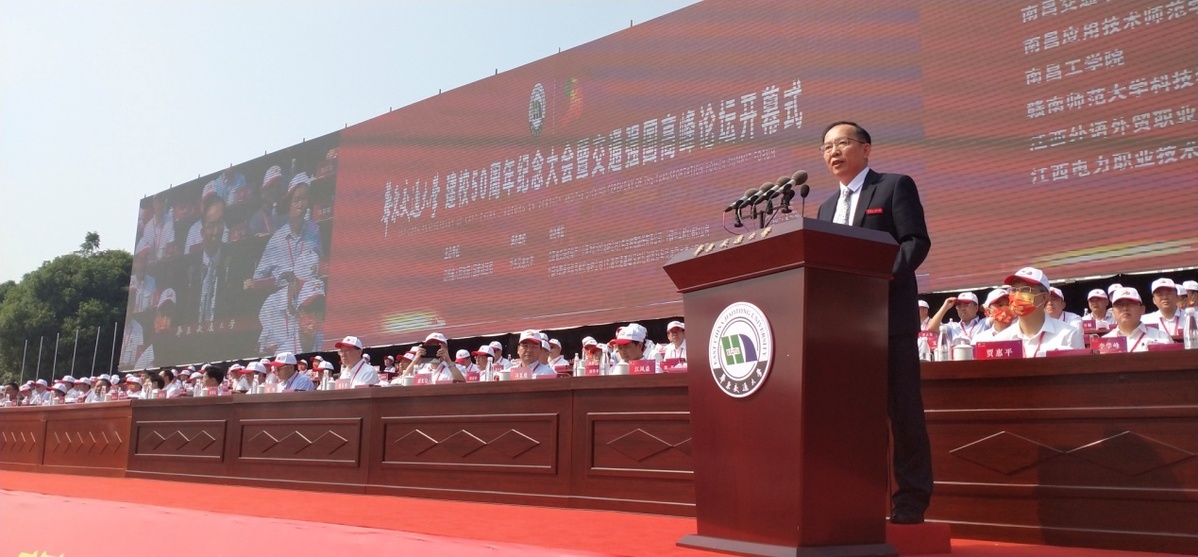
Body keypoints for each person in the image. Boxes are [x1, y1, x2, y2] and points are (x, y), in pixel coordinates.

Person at [815, 121, 933, 525]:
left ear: (865, 149)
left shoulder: (893, 186)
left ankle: (911, 501)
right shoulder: (825, 208)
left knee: (904, 413)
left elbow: (915, 242)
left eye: (842, 143)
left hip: (890, 321)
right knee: (856, 417)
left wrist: (878, 280)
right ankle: (862, 500)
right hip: (847, 329)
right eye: (827, 147)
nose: (833, 152)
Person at [991, 267, 1085, 356]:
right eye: (1013, 290)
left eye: (1025, 290)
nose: (1017, 295)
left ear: (1044, 297)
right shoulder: (1001, 340)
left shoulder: (1069, 335)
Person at [1102, 287, 1174, 352]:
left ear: (1142, 309)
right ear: (1113, 312)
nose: (1125, 308)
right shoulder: (1104, 342)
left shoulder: (1162, 338)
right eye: (1119, 305)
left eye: (1130, 304)